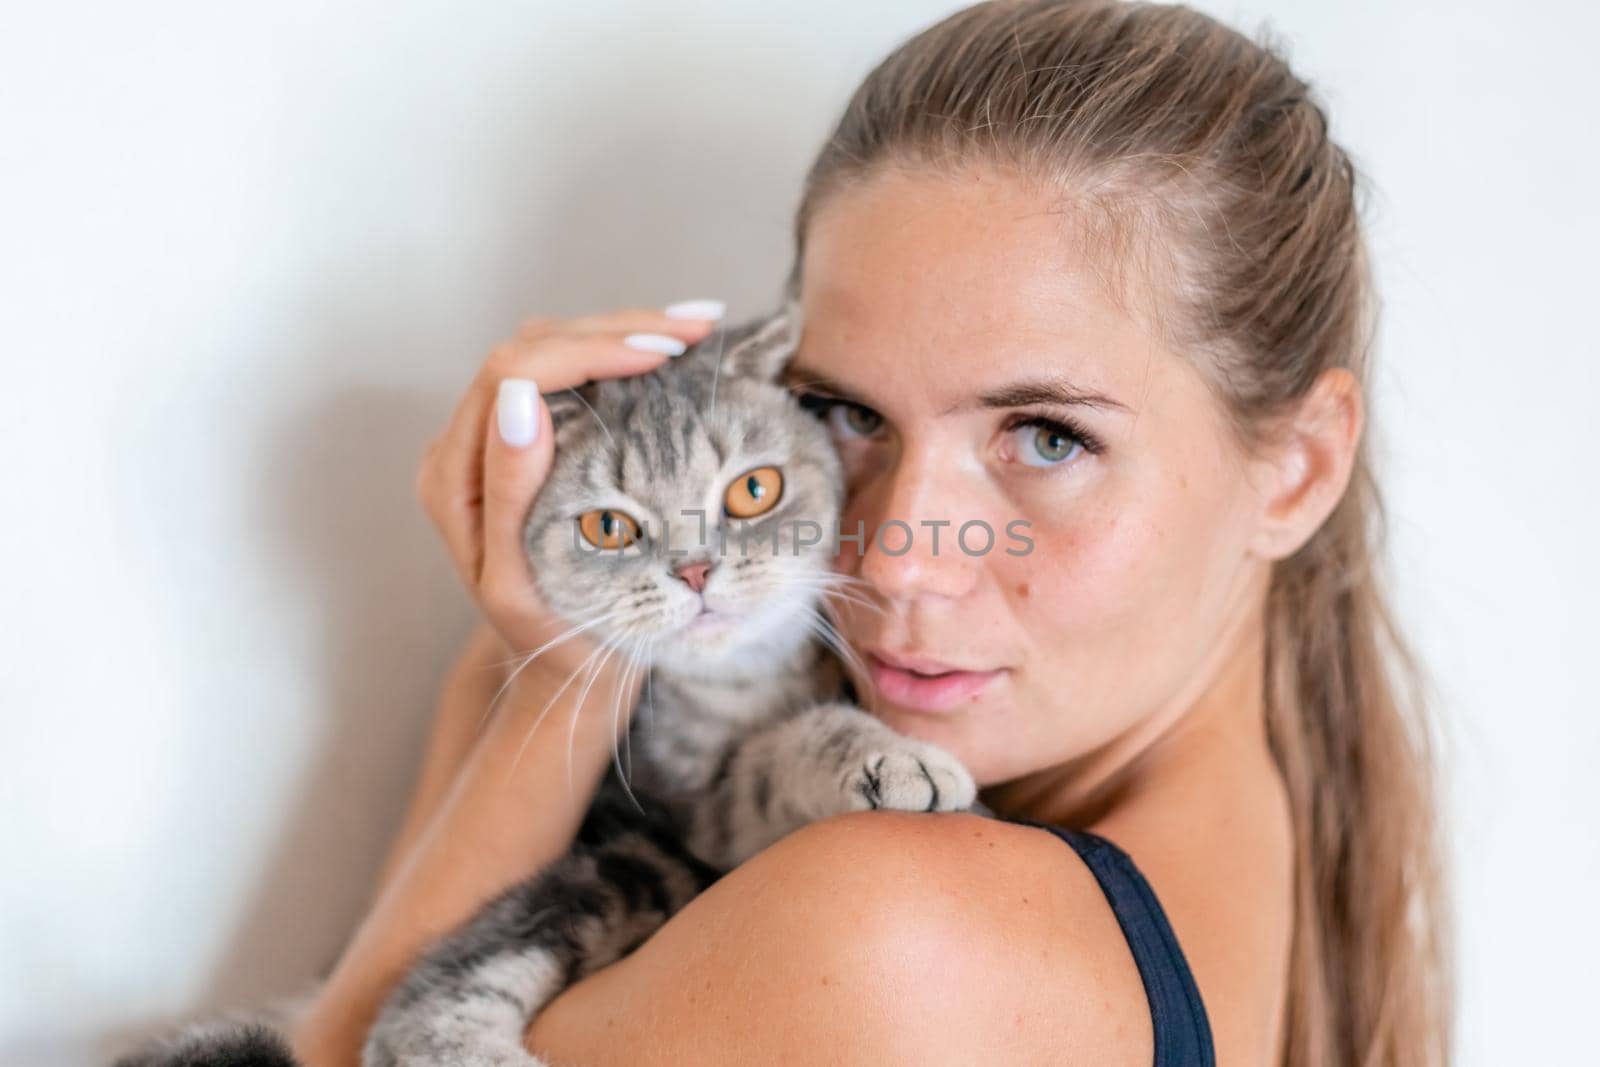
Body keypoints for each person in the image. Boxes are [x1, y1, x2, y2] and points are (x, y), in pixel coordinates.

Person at [288, 2, 1450, 1064]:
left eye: (1045, 437)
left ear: (1294, 470)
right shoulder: (1272, 893)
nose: (892, 552)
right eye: (848, 414)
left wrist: (537, 665)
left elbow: (351, 1048)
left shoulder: (893, 930)